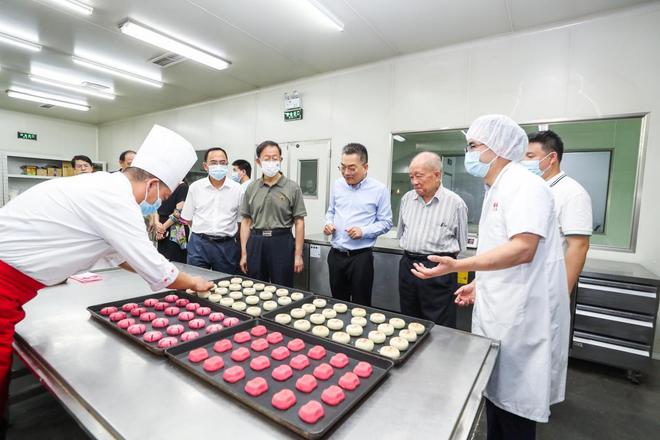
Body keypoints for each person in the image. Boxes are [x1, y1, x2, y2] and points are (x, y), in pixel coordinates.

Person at [0, 125, 214, 436]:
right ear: (152, 183)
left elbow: (121, 255)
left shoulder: (103, 186)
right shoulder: (116, 199)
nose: (160, 201)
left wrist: (162, 271)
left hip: (14, 286)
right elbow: (156, 270)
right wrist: (192, 282)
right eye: (163, 194)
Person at [412, 115, 569, 440]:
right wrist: (479, 284)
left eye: (473, 146)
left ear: (497, 148)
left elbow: (524, 248)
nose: (469, 153)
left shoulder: (525, 186)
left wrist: (459, 267)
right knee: (497, 404)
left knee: (514, 411)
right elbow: (505, 250)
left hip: (521, 319)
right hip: (502, 312)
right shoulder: (499, 187)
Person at [397, 151, 467, 327]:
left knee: (439, 321)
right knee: (409, 319)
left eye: (419, 176)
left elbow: (460, 244)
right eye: (411, 176)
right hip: (409, 265)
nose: (414, 181)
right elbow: (402, 233)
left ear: (437, 175)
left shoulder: (455, 203)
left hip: (439, 269)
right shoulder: (407, 199)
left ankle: (439, 354)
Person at [522, 130, 592, 292]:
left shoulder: (572, 193)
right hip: (524, 284)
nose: (524, 161)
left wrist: (562, 293)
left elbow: (579, 246)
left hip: (548, 287)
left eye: (530, 156)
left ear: (552, 158)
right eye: (523, 157)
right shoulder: (531, 189)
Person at [323, 143, 392, 306]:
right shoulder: (338, 185)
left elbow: (386, 222)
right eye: (343, 168)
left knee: (361, 306)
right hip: (336, 255)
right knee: (338, 304)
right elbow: (331, 211)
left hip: (360, 258)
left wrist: (364, 231)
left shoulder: (379, 189)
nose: (346, 173)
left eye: (352, 168)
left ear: (365, 167)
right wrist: (328, 223)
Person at [239, 141, 306, 287]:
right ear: (258, 161)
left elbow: (299, 222)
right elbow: (246, 222)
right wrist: (244, 253)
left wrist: (298, 255)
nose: (271, 162)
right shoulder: (252, 188)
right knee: (255, 287)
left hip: (281, 241)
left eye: (275, 158)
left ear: (281, 160)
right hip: (256, 242)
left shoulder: (292, 187)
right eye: (266, 158)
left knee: (283, 289)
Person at [181, 147, 242, 274]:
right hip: (199, 244)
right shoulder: (195, 188)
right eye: (214, 163)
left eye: (222, 162)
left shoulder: (237, 189)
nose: (218, 166)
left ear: (227, 164)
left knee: (225, 284)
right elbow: (187, 218)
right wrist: (204, 232)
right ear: (205, 166)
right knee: (196, 283)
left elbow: (241, 220)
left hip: (226, 245)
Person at [155, 180, 189, 263]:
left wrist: (162, 228)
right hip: (160, 227)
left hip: (176, 228)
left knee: (176, 262)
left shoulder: (182, 186)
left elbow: (178, 213)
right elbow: (154, 205)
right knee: (161, 260)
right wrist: (157, 223)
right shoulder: (160, 184)